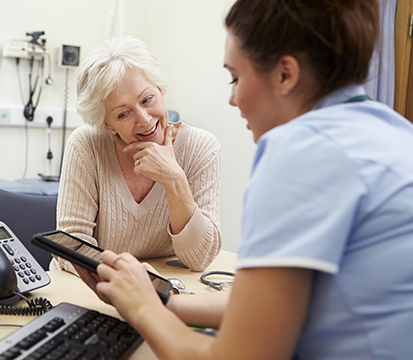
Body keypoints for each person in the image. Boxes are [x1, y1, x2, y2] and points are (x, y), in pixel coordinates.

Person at [93, 1, 413, 359]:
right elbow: (276, 303)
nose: (232, 98)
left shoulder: (298, 151)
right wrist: (167, 302)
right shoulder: (395, 131)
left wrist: (141, 309)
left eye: (235, 77)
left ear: (285, 75)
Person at [55, 36, 223, 273]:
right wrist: (131, 276)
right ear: (108, 125)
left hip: (163, 291)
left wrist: (174, 179)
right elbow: (71, 246)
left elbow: (200, 258)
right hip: (87, 286)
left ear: (161, 91)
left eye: (147, 99)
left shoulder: (202, 147)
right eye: (123, 114)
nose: (144, 120)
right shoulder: (87, 146)